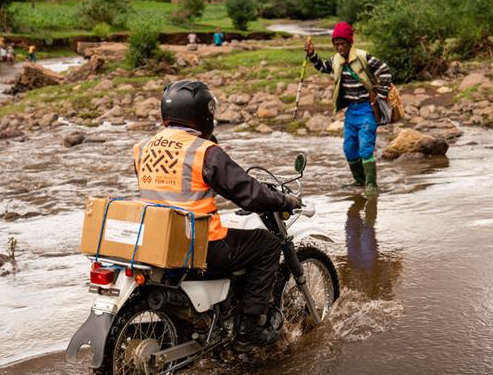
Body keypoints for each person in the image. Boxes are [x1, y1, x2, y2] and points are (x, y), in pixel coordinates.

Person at [133, 80, 302, 346]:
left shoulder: (143, 147)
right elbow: (249, 193)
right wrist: (283, 200)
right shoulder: (204, 151)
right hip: (199, 247)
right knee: (267, 245)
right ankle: (249, 328)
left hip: (159, 243)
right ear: (203, 113)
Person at [304, 21, 392, 197]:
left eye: (342, 43)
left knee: (366, 147)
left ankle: (371, 184)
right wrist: (312, 54)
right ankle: (359, 181)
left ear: (350, 42)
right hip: (351, 111)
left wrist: (381, 94)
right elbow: (322, 67)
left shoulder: (363, 56)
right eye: (336, 44)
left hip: (367, 109)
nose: (339, 47)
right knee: (349, 148)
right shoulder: (336, 60)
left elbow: (384, 70)